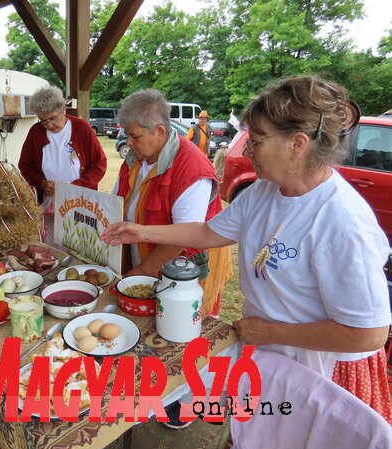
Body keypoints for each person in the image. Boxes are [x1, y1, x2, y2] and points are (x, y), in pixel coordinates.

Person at [102, 76, 392, 424]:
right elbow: (209, 231)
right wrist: (141, 230)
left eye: (256, 141)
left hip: (322, 370)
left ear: (297, 144)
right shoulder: (262, 192)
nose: (247, 150)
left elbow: (368, 334)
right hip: (271, 351)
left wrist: (270, 331)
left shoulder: (343, 222)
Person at [113, 88, 232, 319]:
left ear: (159, 132)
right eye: (126, 135)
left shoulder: (190, 168)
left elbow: (183, 238)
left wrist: (140, 273)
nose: (128, 142)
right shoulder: (135, 159)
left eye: (134, 136)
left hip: (186, 273)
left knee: (183, 330)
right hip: (148, 264)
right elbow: (117, 203)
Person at [18, 85, 107, 243]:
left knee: (79, 244)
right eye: (43, 120)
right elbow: (25, 166)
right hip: (49, 205)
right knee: (51, 244)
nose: (49, 125)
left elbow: (99, 164)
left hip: (81, 202)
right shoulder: (36, 132)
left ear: (63, 110)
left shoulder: (82, 128)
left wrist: (76, 186)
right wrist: (42, 183)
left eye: (52, 118)